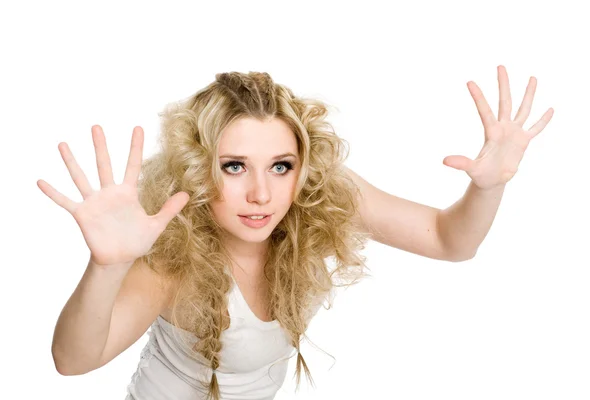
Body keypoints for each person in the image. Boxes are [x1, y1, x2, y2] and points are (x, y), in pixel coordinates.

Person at [38, 67, 553, 400]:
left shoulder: (319, 196)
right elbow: (73, 361)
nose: (262, 193)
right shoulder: (174, 256)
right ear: (198, 169)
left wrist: (489, 188)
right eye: (235, 166)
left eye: (280, 166)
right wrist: (107, 266)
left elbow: (451, 241)